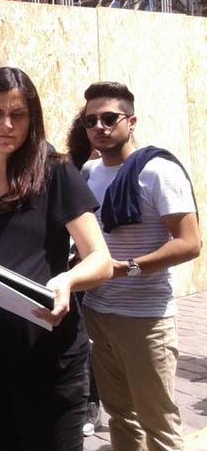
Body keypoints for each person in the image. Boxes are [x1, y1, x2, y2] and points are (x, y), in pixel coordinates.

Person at [0, 67, 112, 450]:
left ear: (33, 119)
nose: (8, 125)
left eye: (19, 115)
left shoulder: (56, 172)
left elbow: (101, 259)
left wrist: (67, 281)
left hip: (48, 358)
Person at [80, 81, 200, 451]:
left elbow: (190, 243)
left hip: (145, 318)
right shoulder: (88, 173)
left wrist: (126, 267)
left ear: (131, 121)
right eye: (90, 121)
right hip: (98, 311)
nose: (99, 127)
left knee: (158, 422)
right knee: (120, 416)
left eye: (109, 118)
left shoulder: (158, 172)